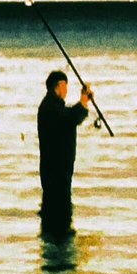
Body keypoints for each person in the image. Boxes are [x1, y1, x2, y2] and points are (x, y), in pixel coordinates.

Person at [37, 71, 92, 239]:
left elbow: (69, 114)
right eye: (65, 86)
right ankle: (59, 240)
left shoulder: (52, 107)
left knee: (56, 210)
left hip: (58, 169)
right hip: (56, 170)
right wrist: (83, 101)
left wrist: (83, 101)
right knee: (60, 211)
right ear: (57, 87)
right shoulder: (49, 108)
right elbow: (70, 118)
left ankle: (55, 240)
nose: (66, 90)